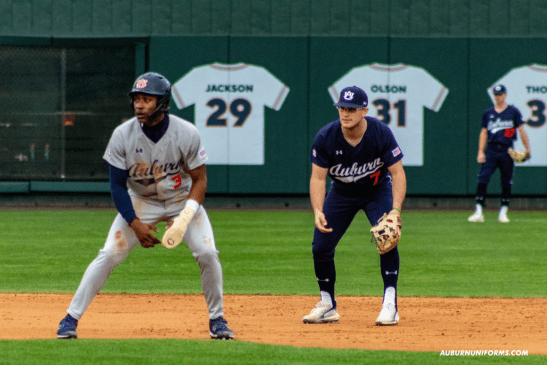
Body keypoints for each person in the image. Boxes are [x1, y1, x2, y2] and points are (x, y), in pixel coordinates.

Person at [56, 72, 234, 340]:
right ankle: (70, 317)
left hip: (180, 200)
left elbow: (200, 181)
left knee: (207, 253)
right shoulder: (122, 135)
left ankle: (217, 319)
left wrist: (185, 217)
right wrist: (134, 223)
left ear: (162, 103)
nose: (139, 104)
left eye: (147, 99)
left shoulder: (186, 133)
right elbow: (117, 185)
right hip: (141, 201)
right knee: (109, 254)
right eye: (137, 99)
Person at [303, 86, 406, 326]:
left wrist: (395, 210)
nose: (345, 113)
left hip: (376, 190)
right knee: (320, 246)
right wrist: (318, 210)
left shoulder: (380, 133)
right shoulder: (326, 136)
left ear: (364, 111)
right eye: (342, 108)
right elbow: (318, 178)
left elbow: (398, 173)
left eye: (351, 109)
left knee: (387, 238)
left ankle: (390, 304)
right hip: (341, 193)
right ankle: (327, 304)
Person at [468, 84, 531, 223]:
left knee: (506, 182)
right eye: (496, 95)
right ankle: (478, 211)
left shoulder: (512, 111)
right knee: (483, 178)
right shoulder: (488, 112)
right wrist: (480, 151)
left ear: (505, 95)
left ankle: (503, 212)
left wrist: (527, 150)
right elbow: (484, 132)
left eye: (500, 94)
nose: (498, 97)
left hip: (507, 150)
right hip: (491, 150)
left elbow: (519, 130)